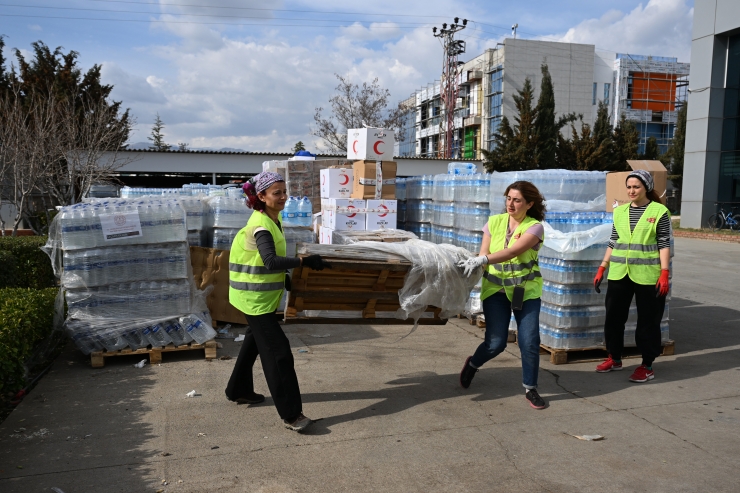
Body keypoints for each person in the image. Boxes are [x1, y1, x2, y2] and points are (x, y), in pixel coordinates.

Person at [224, 171, 330, 432]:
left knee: (254, 342)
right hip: (254, 300)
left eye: (284, 192)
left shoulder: (273, 218)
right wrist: (304, 262)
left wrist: (288, 281)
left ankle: (238, 389)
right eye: (277, 193)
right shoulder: (261, 226)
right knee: (278, 352)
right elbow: (270, 261)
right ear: (261, 196)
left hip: (257, 297)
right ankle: (292, 415)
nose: (283, 197)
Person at [457, 181, 547, 410]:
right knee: (495, 343)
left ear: (529, 204)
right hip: (495, 290)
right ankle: (473, 364)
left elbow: (513, 252)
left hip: (525, 291)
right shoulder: (494, 222)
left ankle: (530, 388)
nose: (511, 204)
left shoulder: (535, 227)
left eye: (517, 200)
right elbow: (484, 252)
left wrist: (484, 259)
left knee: (529, 341)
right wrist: (475, 261)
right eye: (508, 198)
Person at [593, 169, 671, 382]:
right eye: (629, 187)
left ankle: (647, 365)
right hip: (619, 272)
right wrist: (602, 266)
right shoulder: (620, 212)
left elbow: (664, 243)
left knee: (648, 320)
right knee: (614, 318)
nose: (631, 190)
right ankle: (614, 358)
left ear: (646, 187)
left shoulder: (659, 211)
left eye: (636, 186)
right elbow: (613, 241)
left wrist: (664, 272)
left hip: (647, 274)